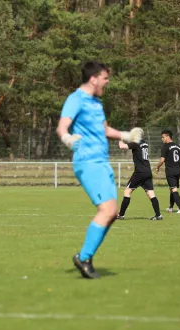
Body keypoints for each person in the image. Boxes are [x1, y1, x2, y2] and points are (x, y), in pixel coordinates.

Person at [56, 61, 143, 279]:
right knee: (106, 211)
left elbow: (104, 129)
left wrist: (125, 135)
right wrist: (67, 139)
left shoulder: (96, 103)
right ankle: (84, 257)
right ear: (93, 78)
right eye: (104, 78)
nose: (107, 82)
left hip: (102, 162)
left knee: (112, 213)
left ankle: (86, 256)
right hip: (88, 162)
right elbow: (61, 127)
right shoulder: (75, 99)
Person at [116, 140, 163, 220]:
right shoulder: (144, 143)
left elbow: (121, 146)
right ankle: (158, 215)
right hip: (147, 171)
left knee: (127, 191)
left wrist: (119, 138)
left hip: (139, 172)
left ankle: (121, 215)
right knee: (151, 194)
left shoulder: (135, 143)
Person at [155, 130, 180, 213]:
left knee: (174, 189)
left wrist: (157, 167)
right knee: (171, 189)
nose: (162, 139)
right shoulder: (178, 146)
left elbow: (162, 160)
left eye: (163, 137)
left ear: (168, 137)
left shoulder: (165, 146)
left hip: (170, 171)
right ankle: (170, 207)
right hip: (177, 170)